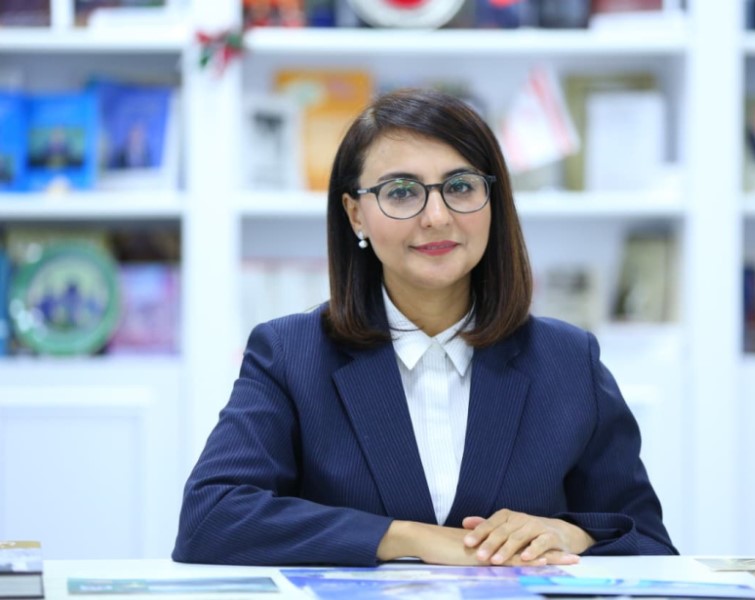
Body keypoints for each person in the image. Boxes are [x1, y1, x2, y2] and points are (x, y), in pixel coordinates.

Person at [172, 88, 676, 567]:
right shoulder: (291, 354)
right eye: (401, 192)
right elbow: (210, 519)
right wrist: (407, 538)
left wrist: (573, 535)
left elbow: (650, 544)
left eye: (460, 187)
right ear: (356, 214)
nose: (436, 217)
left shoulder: (568, 360)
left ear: (493, 201)